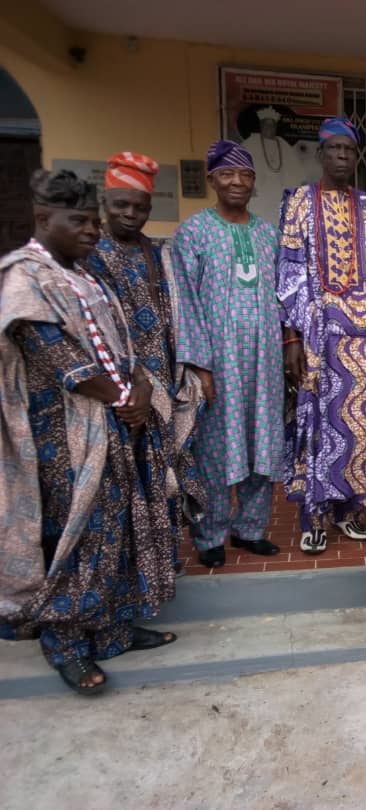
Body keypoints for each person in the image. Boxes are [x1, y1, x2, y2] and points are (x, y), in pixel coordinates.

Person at [0, 169, 178, 695]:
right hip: (65, 437)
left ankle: (112, 630)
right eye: (79, 221)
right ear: (43, 218)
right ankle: (66, 644)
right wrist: (127, 400)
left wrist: (141, 387)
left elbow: (125, 347)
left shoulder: (86, 277)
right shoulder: (25, 278)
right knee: (74, 535)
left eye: (94, 222)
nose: (92, 231)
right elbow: (61, 360)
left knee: (115, 529)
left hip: (117, 423)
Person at [278, 118, 366, 553]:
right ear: (321, 153)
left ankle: (350, 512)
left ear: (357, 155)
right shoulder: (299, 204)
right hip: (316, 338)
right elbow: (288, 270)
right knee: (316, 426)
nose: (342, 156)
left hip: (363, 339)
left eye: (349, 150)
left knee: (361, 428)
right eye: (335, 149)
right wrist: (291, 339)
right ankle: (313, 517)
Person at [87, 152, 206, 572]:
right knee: (125, 479)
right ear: (105, 202)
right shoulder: (91, 255)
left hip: (164, 385)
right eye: (121, 204)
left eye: (139, 206)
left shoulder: (157, 252)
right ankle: (130, 570)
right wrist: (127, 385)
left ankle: (164, 562)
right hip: (118, 393)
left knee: (162, 474)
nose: (130, 214)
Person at [173, 141, 285, 569]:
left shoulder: (268, 234)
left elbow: (284, 295)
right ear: (212, 180)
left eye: (245, 175)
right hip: (218, 362)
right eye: (227, 174)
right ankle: (210, 533)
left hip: (265, 360)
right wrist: (200, 367)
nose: (237, 182)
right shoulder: (193, 232)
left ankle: (250, 529)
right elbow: (184, 302)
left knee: (263, 442)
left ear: (254, 182)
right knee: (215, 449)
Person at [240, 105, 308, 224]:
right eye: (266, 125)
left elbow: (295, 169)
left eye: (272, 125)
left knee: (279, 219)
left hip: (278, 189)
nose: (269, 128)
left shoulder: (282, 144)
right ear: (261, 126)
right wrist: (248, 186)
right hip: (259, 191)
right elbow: (240, 167)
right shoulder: (251, 143)